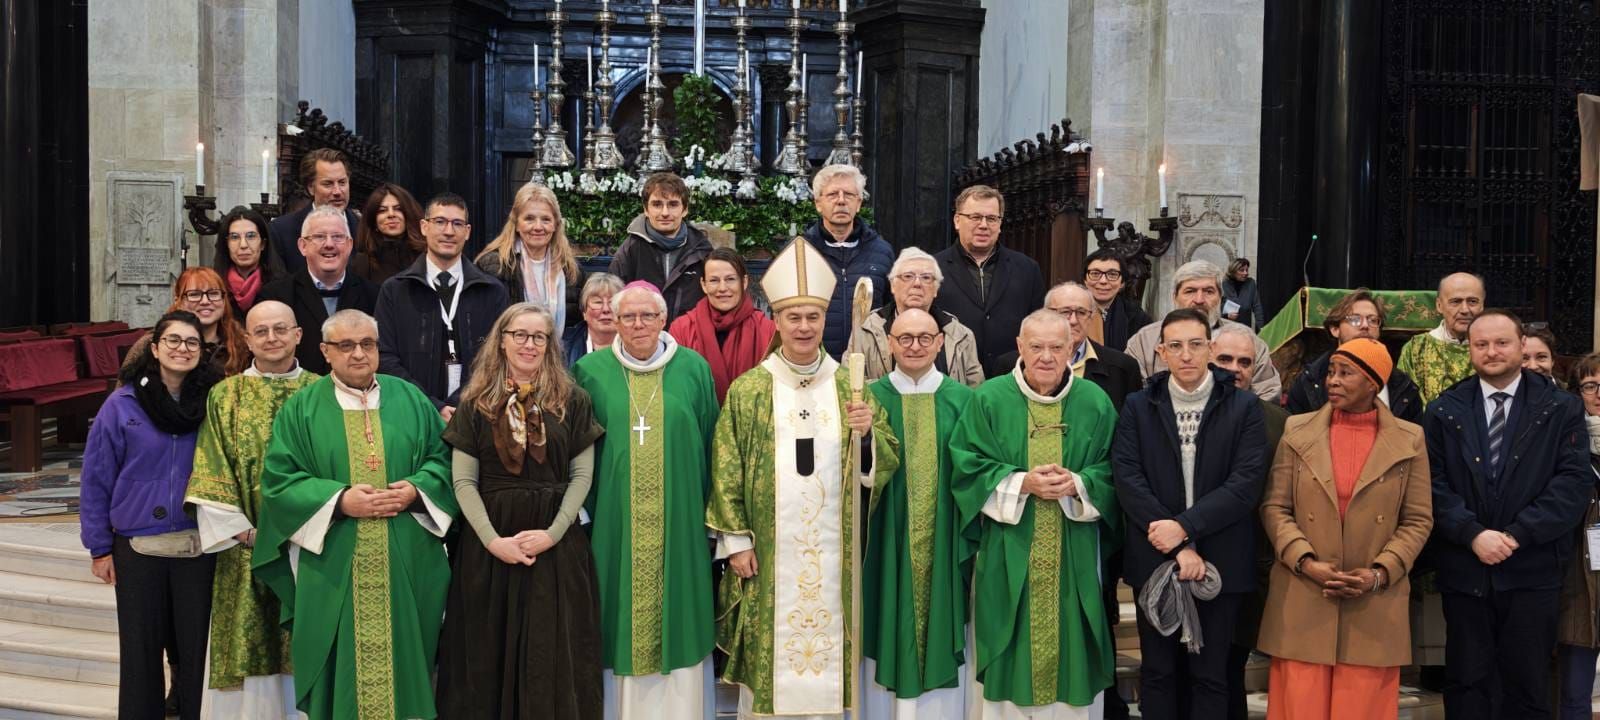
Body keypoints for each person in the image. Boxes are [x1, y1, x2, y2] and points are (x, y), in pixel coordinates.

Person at [708, 236, 900, 719]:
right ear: (776, 320)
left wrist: (867, 436)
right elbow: (726, 466)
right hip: (768, 552)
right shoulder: (751, 389)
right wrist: (737, 542)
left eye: (813, 317)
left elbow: (884, 461)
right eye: (793, 317)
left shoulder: (850, 387)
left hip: (834, 554)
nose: (804, 327)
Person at [252, 309, 457, 720]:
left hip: (407, 557)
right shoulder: (302, 409)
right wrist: (340, 500)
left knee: (409, 661)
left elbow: (444, 460)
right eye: (346, 345)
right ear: (325, 351)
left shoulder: (411, 398)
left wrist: (416, 489)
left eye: (367, 344)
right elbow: (279, 481)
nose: (359, 354)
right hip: (334, 559)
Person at [435, 303, 605, 718]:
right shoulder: (475, 403)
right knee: (485, 654)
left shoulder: (573, 400)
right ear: (502, 340)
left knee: (553, 653)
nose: (529, 344)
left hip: (555, 545)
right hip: (490, 547)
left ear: (549, 345)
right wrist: (493, 541)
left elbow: (582, 476)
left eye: (539, 337)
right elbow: (463, 482)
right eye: (520, 335)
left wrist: (553, 533)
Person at [949, 308, 1119, 718]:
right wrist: (1021, 483)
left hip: (1074, 549)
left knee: (1071, 648)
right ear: (1019, 347)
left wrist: (1078, 484)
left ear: (1072, 348)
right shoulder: (989, 398)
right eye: (1036, 346)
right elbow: (966, 467)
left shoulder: (1094, 402)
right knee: (1007, 644)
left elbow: (1116, 469)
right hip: (1007, 547)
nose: (1046, 356)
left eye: (1056, 347)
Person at [1425, 309, 1590, 720]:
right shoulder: (1444, 409)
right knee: (1467, 682)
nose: (1492, 351)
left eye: (1502, 343)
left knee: (1528, 684)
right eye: (1481, 344)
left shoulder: (1561, 407)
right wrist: (1472, 534)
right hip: (1466, 569)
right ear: (1469, 350)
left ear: (1521, 345)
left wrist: (1517, 535)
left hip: (1532, 569)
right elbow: (1430, 484)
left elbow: (1572, 484)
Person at [1256, 338, 1433, 720]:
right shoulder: (1296, 429)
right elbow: (1275, 506)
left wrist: (1379, 573)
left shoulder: (1410, 438)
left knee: (1362, 707)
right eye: (1331, 372)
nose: (1332, 380)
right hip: (1304, 593)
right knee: (1299, 707)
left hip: (1373, 600)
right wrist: (1304, 561)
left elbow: (1418, 519)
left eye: (1345, 373)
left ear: (1373, 383)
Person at [573, 282, 719, 719]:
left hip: (681, 523)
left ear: (663, 319)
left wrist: (711, 518)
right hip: (613, 524)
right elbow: (576, 449)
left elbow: (713, 444)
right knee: (613, 619)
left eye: (648, 316)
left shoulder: (693, 368)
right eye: (628, 317)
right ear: (615, 322)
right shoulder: (589, 371)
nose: (638, 324)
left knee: (681, 615)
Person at [1113, 308, 1267, 720]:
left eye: (1196, 345)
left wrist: (1184, 527)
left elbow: (1245, 484)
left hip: (1221, 556)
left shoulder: (1244, 407)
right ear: (1161, 352)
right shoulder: (1139, 406)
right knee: (1158, 671)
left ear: (1211, 349)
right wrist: (1178, 545)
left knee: (1211, 674)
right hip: (1155, 556)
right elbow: (1128, 477)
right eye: (1176, 346)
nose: (1186, 355)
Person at [81, 311, 223, 720]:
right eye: (173, 340)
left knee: (197, 652)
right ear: (156, 349)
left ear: (202, 351)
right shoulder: (122, 404)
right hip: (138, 546)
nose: (182, 349)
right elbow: (96, 478)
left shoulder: (214, 402)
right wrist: (99, 547)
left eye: (192, 342)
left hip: (199, 543)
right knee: (141, 654)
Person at [183, 300, 318, 717]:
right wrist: (246, 533)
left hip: (312, 548)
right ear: (246, 339)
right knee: (248, 642)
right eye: (261, 331)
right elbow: (211, 466)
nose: (272, 338)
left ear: (298, 335)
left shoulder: (323, 392)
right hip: (246, 549)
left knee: (309, 640)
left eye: (281, 329)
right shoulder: (226, 396)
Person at [862, 308, 975, 717]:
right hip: (885, 537)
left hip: (946, 535)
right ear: (889, 344)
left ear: (940, 343)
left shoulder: (964, 400)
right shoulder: (868, 399)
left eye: (925, 338)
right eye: (905, 338)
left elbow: (975, 468)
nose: (915, 346)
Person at [1210, 323, 1291, 718]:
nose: (1235, 369)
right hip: (1191, 557)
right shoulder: (1176, 410)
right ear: (1208, 357)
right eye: (1225, 359)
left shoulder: (1280, 421)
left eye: (1245, 362)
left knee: (1231, 667)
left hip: (1250, 563)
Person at [376, 192, 510, 419]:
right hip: (413, 414)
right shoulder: (395, 290)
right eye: (440, 222)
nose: (449, 231)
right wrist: (431, 405)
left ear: (467, 232)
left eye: (457, 224)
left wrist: (461, 404)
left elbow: (500, 357)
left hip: (475, 415)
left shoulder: (492, 292)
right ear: (424, 227)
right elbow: (385, 357)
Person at [1123, 260, 1282, 401]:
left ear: (1220, 297)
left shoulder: (1247, 340)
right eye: (1190, 291)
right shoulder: (1144, 341)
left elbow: (1268, 394)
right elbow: (1132, 396)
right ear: (1175, 296)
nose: (1199, 300)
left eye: (1208, 291)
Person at [935, 184, 1047, 377]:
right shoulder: (933, 269)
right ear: (957, 221)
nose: (984, 225)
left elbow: (1039, 326)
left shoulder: (1027, 268)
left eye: (992, 218)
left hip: (1012, 378)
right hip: (953, 378)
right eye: (975, 217)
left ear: (1000, 224)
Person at [256, 206, 381, 375]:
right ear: (303, 246)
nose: (329, 244)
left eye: (337, 237)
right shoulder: (275, 297)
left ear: (349, 245)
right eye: (319, 237)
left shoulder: (374, 296)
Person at [853, 247, 985, 387]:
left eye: (926, 278)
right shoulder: (866, 331)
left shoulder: (960, 335)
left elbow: (975, 392)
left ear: (936, 289)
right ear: (892, 286)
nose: (917, 284)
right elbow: (849, 383)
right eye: (908, 276)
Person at [1285, 289, 1423, 422]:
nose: (1365, 325)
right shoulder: (1310, 380)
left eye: (1373, 320)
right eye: (1355, 319)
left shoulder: (1403, 385)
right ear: (1335, 329)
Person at [802, 164, 895, 359]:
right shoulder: (801, 252)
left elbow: (892, 309)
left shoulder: (882, 252)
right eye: (832, 194)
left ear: (859, 203)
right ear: (818, 203)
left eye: (849, 195)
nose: (841, 201)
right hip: (815, 362)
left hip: (868, 362)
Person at [668, 248, 776, 403]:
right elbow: (677, 388)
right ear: (703, 285)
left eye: (730, 279)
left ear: (744, 282)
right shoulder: (681, 329)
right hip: (699, 416)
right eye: (714, 280)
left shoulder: (767, 330)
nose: (722, 288)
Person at [1556, 353, 1600, 720]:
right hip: (1577, 578)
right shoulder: (1566, 442)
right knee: (1574, 692)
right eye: (1590, 386)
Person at [479, 182, 588, 330]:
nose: (538, 227)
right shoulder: (493, 266)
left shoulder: (571, 270)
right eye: (529, 219)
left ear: (555, 225)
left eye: (546, 219)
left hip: (560, 345)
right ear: (516, 224)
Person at [609, 172, 713, 322]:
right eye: (657, 204)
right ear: (646, 209)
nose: (665, 213)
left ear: (685, 209)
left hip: (689, 334)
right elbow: (614, 304)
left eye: (673, 204)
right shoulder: (630, 250)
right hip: (642, 333)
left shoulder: (702, 251)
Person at [122, 267, 252, 378]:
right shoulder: (151, 343)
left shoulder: (243, 344)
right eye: (194, 294)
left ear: (224, 300)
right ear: (178, 301)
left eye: (213, 294)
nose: (205, 301)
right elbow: (124, 392)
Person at [267, 148, 360, 275]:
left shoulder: (364, 228)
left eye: (342, 182)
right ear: (311, 188)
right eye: (328, 184)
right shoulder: (281, 231)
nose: (337, 191)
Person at [1397, 272, 1485, 405]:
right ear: (1439, 305)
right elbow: (1406, 402)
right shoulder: (1416, 349)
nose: (1465, 310)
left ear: (1482, 306)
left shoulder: (1494, 348)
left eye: (1472, 301)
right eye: (1455, 302)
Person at [213, 206, 285, 317]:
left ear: (262, 244)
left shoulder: (283, 286)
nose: (243, 245)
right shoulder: (213, 286)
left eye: (251, 236)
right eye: (235, 237)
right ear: (226, 244)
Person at [351, 183, 426, 286]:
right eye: (382, 210)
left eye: (398, 209)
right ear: (373, 220)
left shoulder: (427, 255)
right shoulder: (363, 262)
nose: (391, 214)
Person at [1084, 248, 1152, 353]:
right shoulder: (1069, 311)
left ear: (1122, 283)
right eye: (1095, 274)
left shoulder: (1137, 317)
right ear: (1085, 280)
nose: (1103, 281)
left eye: (1112, 275)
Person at [566, 272, 625, 366]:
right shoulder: (564, 347)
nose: (605, 309)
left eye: (612, 302)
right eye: (598, 302)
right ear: (584, 311)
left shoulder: (637, 346)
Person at [1221, 258, 1265, 331]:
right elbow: (1216, 306)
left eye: (1247, 270)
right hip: (1227, 326)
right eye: (1242, 270)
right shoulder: (1224, 283)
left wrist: (1261, 327)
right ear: (1233, 271)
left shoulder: (1251, 283)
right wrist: (1226, 315)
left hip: (1244, 326)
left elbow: (1257, 306)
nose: (1245, 273)